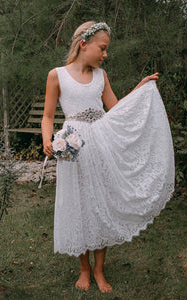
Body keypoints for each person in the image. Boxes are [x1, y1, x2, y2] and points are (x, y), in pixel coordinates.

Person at [41, 21, 174, 293]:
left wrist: (140, 88)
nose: (105, 54)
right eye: (102, 48)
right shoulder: (57, 75)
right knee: (80, 205)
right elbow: (48, 115)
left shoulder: (101, 76)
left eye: (106, 50)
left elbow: (115, 109)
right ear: (83, 44)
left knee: (100, 204)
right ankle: (84, 268)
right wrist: (47, 139)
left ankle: (100, 270)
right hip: (73, 148)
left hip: (101, 145)